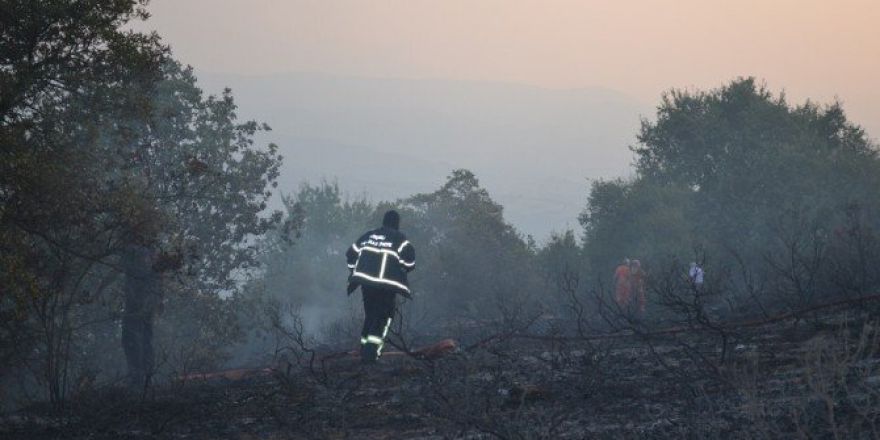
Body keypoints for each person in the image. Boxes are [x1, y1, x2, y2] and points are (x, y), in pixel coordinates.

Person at [345, 210, 416, 363]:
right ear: (397, 224)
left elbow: (350, 254)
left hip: (366, 284)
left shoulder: (369, 235)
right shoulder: (400, 239)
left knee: (370, 316)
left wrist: (353, 271)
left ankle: (365, 350)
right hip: (386, 287)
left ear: (383, 222)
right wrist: (400, 268)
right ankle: (371, 356)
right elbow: (410, 263)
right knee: (383, 318)